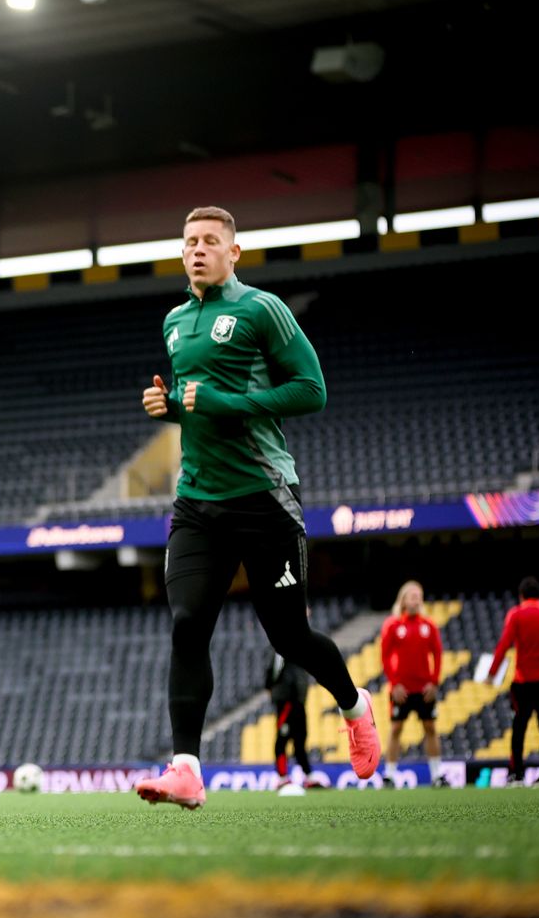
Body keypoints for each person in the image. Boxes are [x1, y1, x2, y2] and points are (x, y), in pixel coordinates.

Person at [134, 205, 378, 810]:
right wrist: (171, 407)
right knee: (188, 624)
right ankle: (186, 770)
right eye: (189, 241)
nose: (197, 250)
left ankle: (354, 705)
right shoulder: (173, 322)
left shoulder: (261, 309)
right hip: (197, 501)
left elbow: (311, 391)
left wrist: (221, 400)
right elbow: (197, 404)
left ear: (233, 252)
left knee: (289, 635)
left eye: (210, 241)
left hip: (265, 499)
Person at [491, 576, 539, 783]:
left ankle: (517, 773)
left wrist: (492, 672)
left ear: (521, 596)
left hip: (524, 682)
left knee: (519, 727)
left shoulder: (516, 615)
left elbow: (504, 644)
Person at [379, 580, 446, 786]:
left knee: (430, 728)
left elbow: (438, 653)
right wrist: (395, 684)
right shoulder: (393, 625)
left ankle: (436, 775)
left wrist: (434, 683)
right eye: (413, 595)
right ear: (404, 600)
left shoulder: (429, 625)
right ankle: (389, 775)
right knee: (396, 728)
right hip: (402, 689)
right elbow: (385, 656)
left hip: (424, 688)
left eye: (419, 595)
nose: (417, 599)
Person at [265, 652, 315, 783]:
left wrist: (270, 686)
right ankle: (283, 777)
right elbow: (274, 672)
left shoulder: (289, 651)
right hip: (288, 702)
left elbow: (273, 673)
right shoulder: (283, 651)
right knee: (284, 740)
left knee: (299, 740)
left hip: (296, 701)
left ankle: (307, 776)